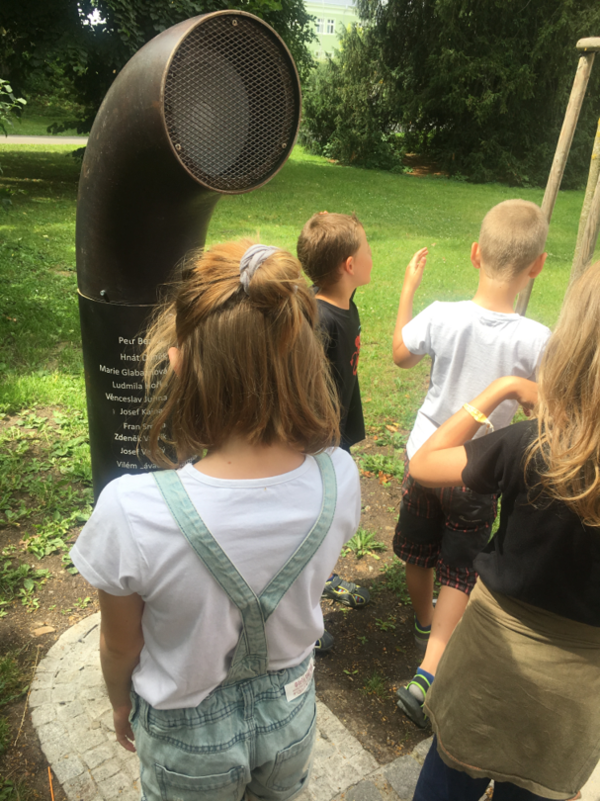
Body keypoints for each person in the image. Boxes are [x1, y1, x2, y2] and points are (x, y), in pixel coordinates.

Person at [69, 241, 361, 801]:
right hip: (292, 710)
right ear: (305, 361)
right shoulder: (339, 477)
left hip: (186, 736)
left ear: (179, 364)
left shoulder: (133, 509)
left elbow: (121, 645)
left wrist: (119, 703)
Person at [409, 260, 600, 801]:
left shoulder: (529, 446)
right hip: (574, 697)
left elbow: (425, 462)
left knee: (448, 781)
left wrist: (499, 391)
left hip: (490, 668)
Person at [392, 199, 551, 726]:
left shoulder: (441, 314)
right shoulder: (537, 339)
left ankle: (423, 622)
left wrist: (409, 290)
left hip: (424, 456)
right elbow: (546, 403)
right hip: (477, 472)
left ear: (476, 253)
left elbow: (401, 355)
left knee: (419, 550)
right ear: (537, 266)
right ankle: (429, 671)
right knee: (460, 570)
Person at [297, 211, 372, 652]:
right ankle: (301, 618)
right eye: (366, 247)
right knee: (311, 524)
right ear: (349, 264)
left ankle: (320, 575)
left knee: (325, 524)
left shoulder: (344, 299)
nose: (371, 254)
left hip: (337, 433)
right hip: (316, 445)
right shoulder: (318, 319)